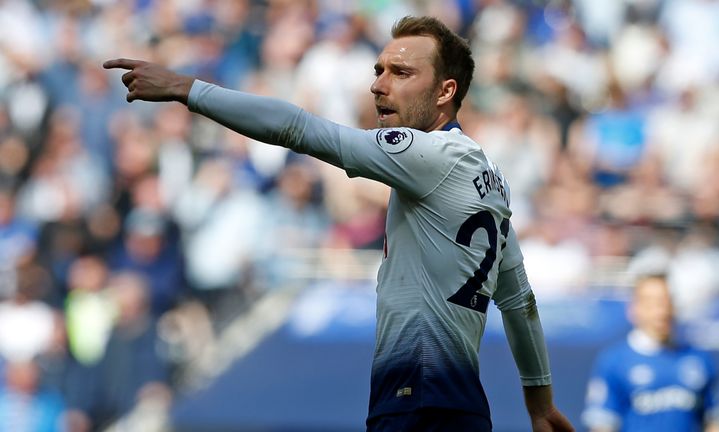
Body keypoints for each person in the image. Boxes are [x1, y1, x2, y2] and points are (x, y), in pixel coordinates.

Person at [104, 15, 573, 432]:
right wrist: (540, 402)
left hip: (416, 395)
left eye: (401, 73)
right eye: (379, 71)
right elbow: (519, 301)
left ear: (446, 91)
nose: (378, 85)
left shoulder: (427, 154)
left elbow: (299, 130)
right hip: (465, 406)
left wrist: (188, 89)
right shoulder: (490, 181)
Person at [581, 273, 719, 432]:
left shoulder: (698, 359)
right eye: (652, 304)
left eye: (666, 302)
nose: (661, 311)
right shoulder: (615, 361)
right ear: (634, 309)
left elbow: (714, 421)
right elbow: (603, 424)